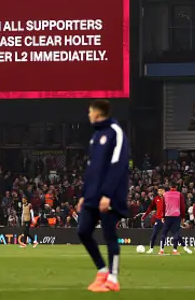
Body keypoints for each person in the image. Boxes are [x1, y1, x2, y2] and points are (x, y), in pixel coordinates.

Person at [77, 99, 129, 293]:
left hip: (111, 195)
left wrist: (107, 194)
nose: (89, 115)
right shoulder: (96, 136)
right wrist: (84, 194)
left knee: (109, 235)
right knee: (82, 231)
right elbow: (92, 169)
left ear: (98, 113)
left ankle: (113, 279)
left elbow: (117, 165)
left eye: (90, 112)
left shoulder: (116, 132)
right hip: (92, 195)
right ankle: (102, 270)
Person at [159, 182, 191, 255]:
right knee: (176, 233)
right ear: (176, 187)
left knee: (164, 233)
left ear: (170, 187)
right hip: (176, 216)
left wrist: (163, 216)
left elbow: (163, 207)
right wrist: (183, 217)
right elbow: (182, 207)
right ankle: (174, 250)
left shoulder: (165, 194)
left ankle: (161, 250)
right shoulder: (179, 194)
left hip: (167, 216)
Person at [143, 186, 165, 254]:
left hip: (166, 219)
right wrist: (145, 215)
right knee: (154, 233)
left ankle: (161, 249)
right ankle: (151, 248)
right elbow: (150, 207)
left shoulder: (167, 198)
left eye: (161, 190)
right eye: (158, 191)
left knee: (163, 234)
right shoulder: (156, 198)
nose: (159, 192)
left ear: (164, 191)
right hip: (158, 219)